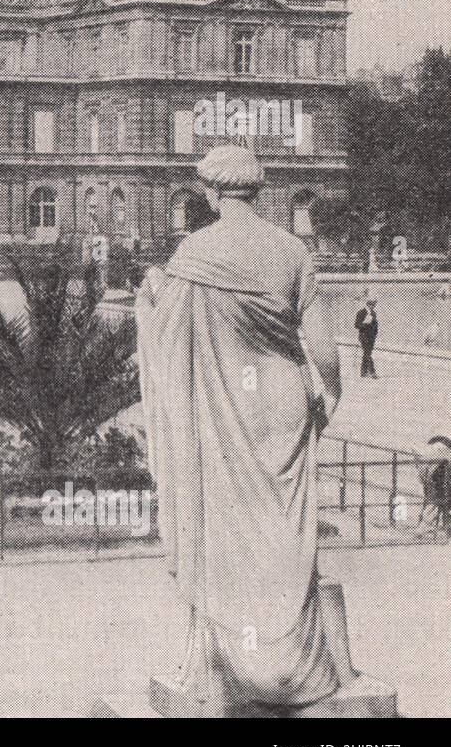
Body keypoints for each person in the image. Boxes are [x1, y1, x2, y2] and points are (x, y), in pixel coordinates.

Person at [136, 145, 346, 713]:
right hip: (282, 401)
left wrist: (149, 297)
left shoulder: (193, 254)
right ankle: (297, 664)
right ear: (257, 192)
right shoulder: (290, 250)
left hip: (225, 404)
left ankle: (230, 664)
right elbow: (324, 352)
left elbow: (167, 342)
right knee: (285, 536)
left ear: (210, 194)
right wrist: (329, 396)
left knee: (225, 533)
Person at [355, 298, 379, 378]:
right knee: (368, 353)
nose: (373, 306)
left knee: (367, 354)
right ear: (368, 304)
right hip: (364, 336)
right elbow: (356, 325)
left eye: (374, 305)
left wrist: (375, 334)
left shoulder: (373, 313)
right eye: (372, 305)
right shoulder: (361, 312)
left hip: (371, 337)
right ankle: (372, 372)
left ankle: (363, 372)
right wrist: (364, 324)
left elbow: (375, 326)